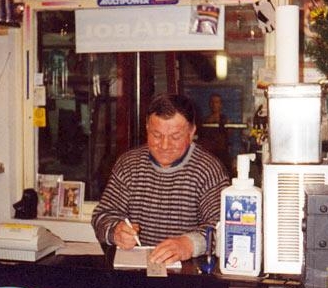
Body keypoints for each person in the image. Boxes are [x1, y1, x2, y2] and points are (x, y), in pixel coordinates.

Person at [91, 93, 230, 265]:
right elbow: (101, 215)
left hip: (188, 273)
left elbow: (224, 228)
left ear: (191, 132)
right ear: (147, 128)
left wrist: (189, 244)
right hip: (136, 270)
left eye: (175, 137)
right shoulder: (129, 164)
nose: (164, 145)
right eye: (156, 135)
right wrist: (115, 231)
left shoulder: (209, 170)